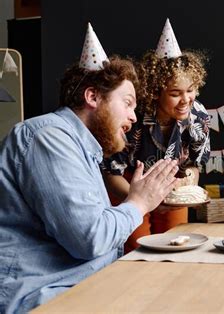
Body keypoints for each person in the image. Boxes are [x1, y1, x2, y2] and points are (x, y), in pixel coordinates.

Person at [0, 24, 179, 313]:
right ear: (93, 97)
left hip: (85, 290)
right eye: (128, 103)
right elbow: (89, 240)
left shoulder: (81, 149)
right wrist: (138, 203)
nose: (134, 117)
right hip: (41, 299)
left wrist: (142, 202)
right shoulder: (48, 137)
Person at [102, 18, 210, 253]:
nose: (186, 100)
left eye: (190, 91)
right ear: (155, 91)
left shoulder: (198, 116)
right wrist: (144, 199)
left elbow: (194, 164)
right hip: (129, 185)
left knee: (177, 243)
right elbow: (111, 173)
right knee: (136, 247)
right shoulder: (133, 117)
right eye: (175, 93)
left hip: (171, 188)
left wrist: (187, 182)